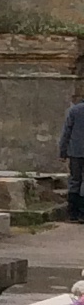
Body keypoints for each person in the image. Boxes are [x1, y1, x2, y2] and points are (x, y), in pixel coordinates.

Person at [61, 87, 84, 223]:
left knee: (75, 180)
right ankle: (82, 213)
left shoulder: (74, 110)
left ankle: (72, 212)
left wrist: (62, 151)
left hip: (75, 152)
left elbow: (66, 132)